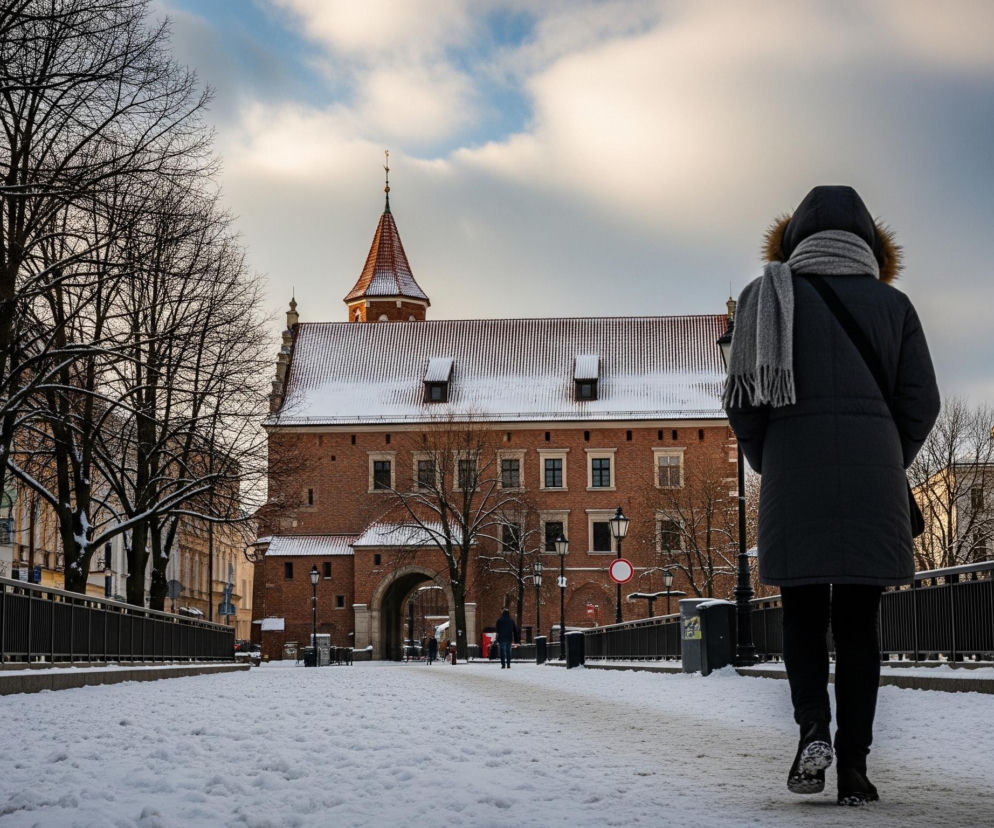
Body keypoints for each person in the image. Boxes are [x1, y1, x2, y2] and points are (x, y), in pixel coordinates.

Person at [724, 186, 939, 806]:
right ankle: (855, 768)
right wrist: (882, 456)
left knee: (802, 617)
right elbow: (923, 402)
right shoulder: (894, 306)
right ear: (871, 243)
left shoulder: (763, 297)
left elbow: (742, 400)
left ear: (794, 239)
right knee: (859, 629)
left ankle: (812, 726)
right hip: (874, 485)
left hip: (795, 479)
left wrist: (773, 459)